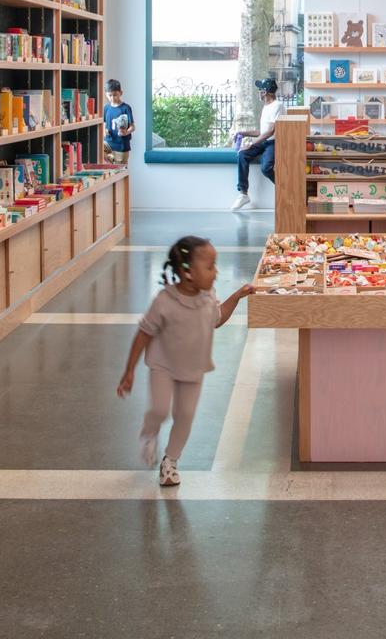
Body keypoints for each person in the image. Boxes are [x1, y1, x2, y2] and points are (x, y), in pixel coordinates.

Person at [116, 236, 251, 486]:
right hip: (163, 365)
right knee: (159, 409)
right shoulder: (164, 301)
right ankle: (149, 433)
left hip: (193, 367)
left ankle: (171, 460)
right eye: (210, 266)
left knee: (185, 415)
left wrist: (238, 295)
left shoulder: (207, 298)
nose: (215, 272)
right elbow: (144, 333)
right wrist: (129, 371)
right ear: (187, 272)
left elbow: (218, 318)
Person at [231, 78, 282, 211]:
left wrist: (251, 143)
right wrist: (244, 133)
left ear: (265, 92)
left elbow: (271, 131)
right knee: (242, 154)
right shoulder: (266, 107)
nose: (258, 92)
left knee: (266, 168)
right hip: (264, 141)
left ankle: (284, 189)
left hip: (273, 142)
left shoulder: (278, 105)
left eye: (260, 90)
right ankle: (243, 193)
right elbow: (262, 131)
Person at [102, 80, 134, 165]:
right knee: (109, 172)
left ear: (121, 93)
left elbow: (132, 127)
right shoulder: (106, 108)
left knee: (121, 171)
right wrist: (104, 132)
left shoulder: (126, 108)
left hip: (121, 146)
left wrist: (126, 132)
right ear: (106, 94)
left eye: (115, 95)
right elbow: (104, 124)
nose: (112, 98)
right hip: (107, 145)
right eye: (110, 95)